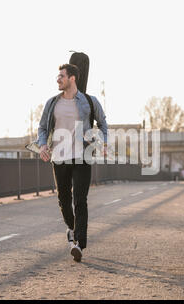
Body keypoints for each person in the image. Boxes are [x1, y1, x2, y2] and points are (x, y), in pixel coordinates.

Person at [37, 64, 108, 262]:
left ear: (72, 78)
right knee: (64, 201)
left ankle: (78, 243)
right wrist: (43, 145)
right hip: (59, 157)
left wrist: (103, 142)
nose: (58, 79)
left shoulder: (89, 101)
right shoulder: (52, 103)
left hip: (82, 156)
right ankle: (72, 230)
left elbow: (102, 123)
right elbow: (42, 128)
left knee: (80, 200)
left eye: (61, 76)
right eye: (58, 76)